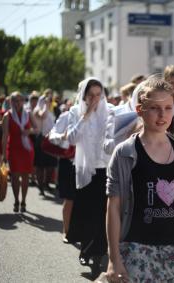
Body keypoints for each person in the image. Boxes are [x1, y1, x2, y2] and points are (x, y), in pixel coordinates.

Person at [105, 76, 174, 282]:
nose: (162, 115)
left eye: (168, 108)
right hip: (137, 249)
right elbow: (113, 208)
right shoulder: (125, 152)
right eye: (154, 108)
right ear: (140, 110)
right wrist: (113, 259)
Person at [65, 77, 110, 275]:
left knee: (102, 214)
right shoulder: (75, 112)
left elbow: (112, 139)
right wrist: (86, 115)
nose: (95, 99)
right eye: (91, 95)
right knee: (86, 212)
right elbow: (72, 138)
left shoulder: (109, 112)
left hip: (105, 169)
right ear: (84, 95)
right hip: (85, 169)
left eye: (98, 95)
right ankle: (85, 249)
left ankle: (99, 252)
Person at [2, 92, 35, 213]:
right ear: (11, 102)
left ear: (23, 101)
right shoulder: (7, 115)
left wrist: (29, 131)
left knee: (26, 176)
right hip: (14, 149)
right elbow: (5, 136)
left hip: (26, 149)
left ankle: (24, 201)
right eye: (15, 100)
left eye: (20, 100)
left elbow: (36, 129)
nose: (18, 103)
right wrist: (4, 155)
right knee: (15, 177)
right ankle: (16, 200)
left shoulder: (28, 114)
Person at [48, 102, 75, 243]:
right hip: (68, 161)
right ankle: (67, 230)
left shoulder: (97, 116)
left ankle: (81, 232)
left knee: (85, 201)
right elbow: (52, 136)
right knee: (69, 199)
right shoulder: (66, 116)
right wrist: (62, 137)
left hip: (89, 164)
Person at [33, 93, 57, 195]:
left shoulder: (50, 111)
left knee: (51, 165)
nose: (49, 102)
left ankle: (46, 184)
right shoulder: (37, 110)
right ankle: (40, 187)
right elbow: (42, 116)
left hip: (51, 139)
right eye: (46, 101)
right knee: (40, 165)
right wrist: (46, 105)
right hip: (41, 139)